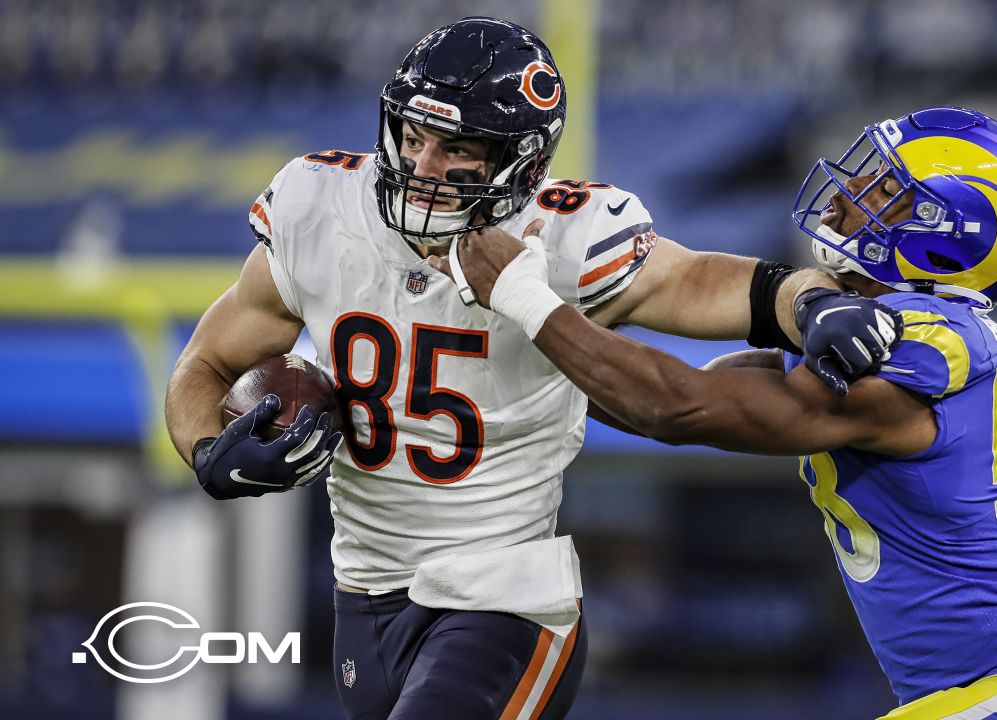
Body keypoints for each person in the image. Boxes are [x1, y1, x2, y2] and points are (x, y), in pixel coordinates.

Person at [163, 16, 888, 720]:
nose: (421, 169)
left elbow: (723, 285)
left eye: (455, 150)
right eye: (412, 138)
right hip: (365, 595)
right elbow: (205, 364)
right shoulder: (320, 208)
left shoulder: (565, 234)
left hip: (504, 599)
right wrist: (206, 448)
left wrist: (814, 301)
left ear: (525, 163)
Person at [439, 106, 997, 719]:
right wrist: (511, 359)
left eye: (884, 189)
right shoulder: (882, 324)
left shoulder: (934, 337)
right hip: (986, 695)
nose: (851, 193)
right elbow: (684, 398)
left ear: (944, 230)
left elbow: (676, 406)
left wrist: (530, 302)